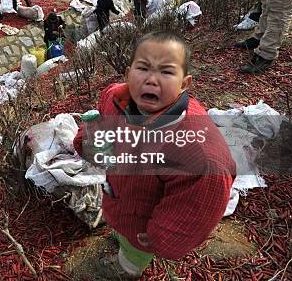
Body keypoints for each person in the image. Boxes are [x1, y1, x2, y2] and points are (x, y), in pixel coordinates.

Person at [73, 31, 236, 279]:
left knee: (133, 251)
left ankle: (126, 270)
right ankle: (119, 232)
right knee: (120, 227)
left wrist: (161, 236)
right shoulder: (115, 97)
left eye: (166, 71)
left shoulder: (197, 151)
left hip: (144, 223)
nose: (151, 79)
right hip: (119, 196)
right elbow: (101, 129)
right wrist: (88, 141)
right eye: (143, 68)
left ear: (185, 83)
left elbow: (196, 206)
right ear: (128, 74)